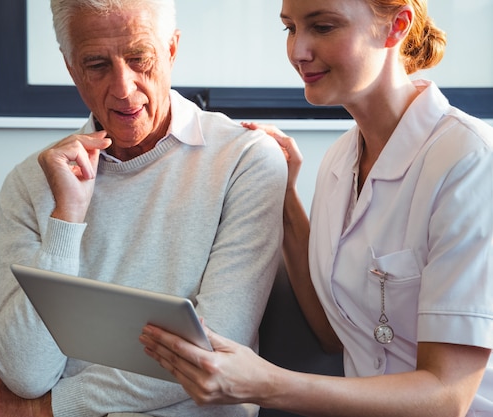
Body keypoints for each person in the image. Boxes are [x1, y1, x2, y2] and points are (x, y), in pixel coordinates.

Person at [140, 0, 493, 415]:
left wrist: (263, 384)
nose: (298, 51)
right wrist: (284, 194)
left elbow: (447, 397)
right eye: (289, 28)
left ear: (396, 27)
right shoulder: (340, 159)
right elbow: (332, 334)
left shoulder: (468, 161)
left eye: (322, 27)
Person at [0, 0, 288, 416]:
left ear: (172, 49)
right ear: (71, 69)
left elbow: (215, 355)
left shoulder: (245, 160)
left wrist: (53, 408)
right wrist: (66, 219)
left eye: (140, 58)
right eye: (97, 65)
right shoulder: (30, 183)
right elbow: (24, 373)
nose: (123, 88)